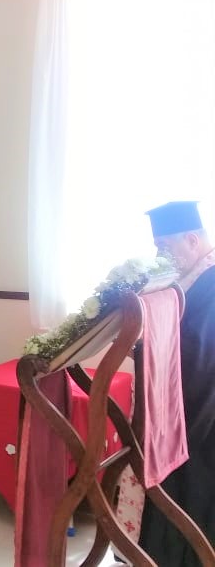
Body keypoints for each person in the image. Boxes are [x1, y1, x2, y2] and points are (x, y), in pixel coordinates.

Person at [138, 201, 215, 565]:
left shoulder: (211, 281)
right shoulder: (195, 274)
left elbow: (197, 349)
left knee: (193, 491)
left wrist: (146, 349)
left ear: (192, 241)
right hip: (191, 404)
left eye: (164, 247)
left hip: (200, 412)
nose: (160, 256)